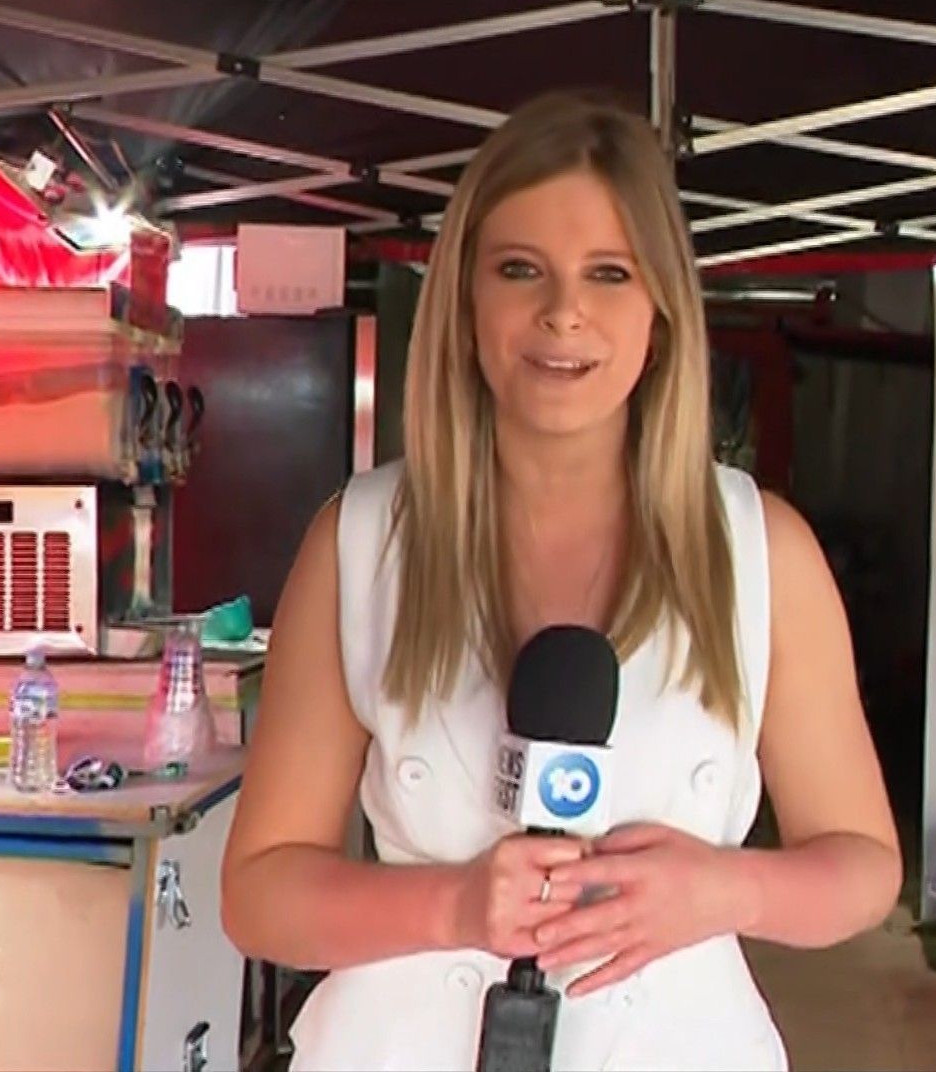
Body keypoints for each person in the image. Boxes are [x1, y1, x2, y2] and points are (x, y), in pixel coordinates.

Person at [221, 89, 901, 1070]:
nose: (563, 313)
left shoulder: (760, 552)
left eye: (609, 274)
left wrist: (724, 890)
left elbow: (865, 867)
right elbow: (259, 894)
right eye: (519, 269)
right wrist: (453, 905)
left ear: (662, 310)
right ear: (466, 301)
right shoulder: (361, 543)